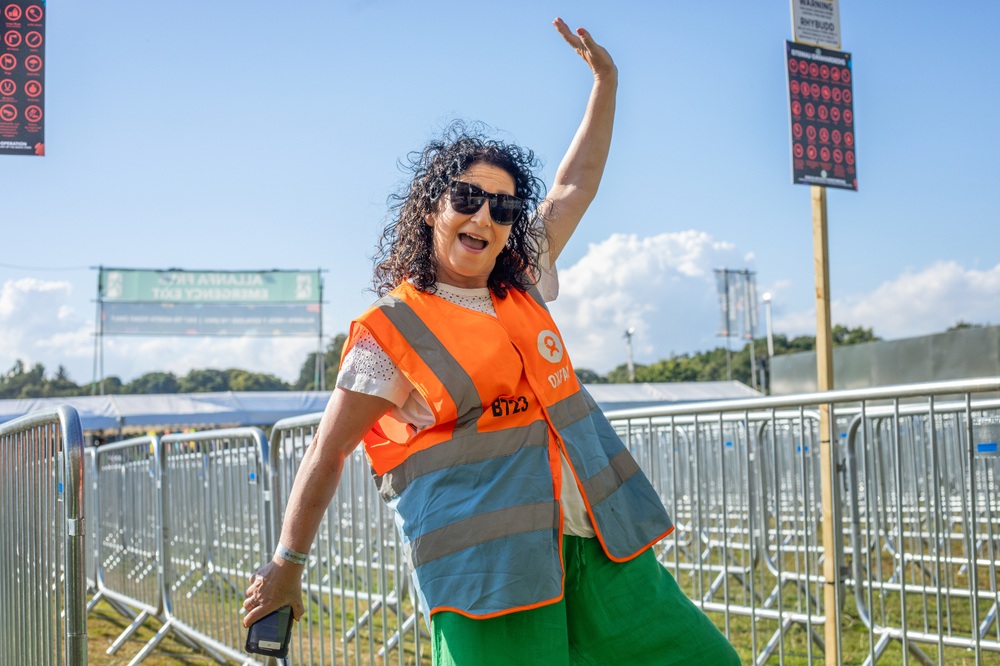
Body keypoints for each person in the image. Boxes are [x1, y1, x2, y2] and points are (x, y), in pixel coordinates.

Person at [244, 18, 741, 666]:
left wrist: (607, 82)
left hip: (598, 547)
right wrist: (287, 565)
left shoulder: (519, 284)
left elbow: (573, 186)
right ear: (433, 209)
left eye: (504, 207)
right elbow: (327, 451)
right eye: (469, 198)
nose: (486, 215)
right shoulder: (392, 329)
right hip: (493, 579)